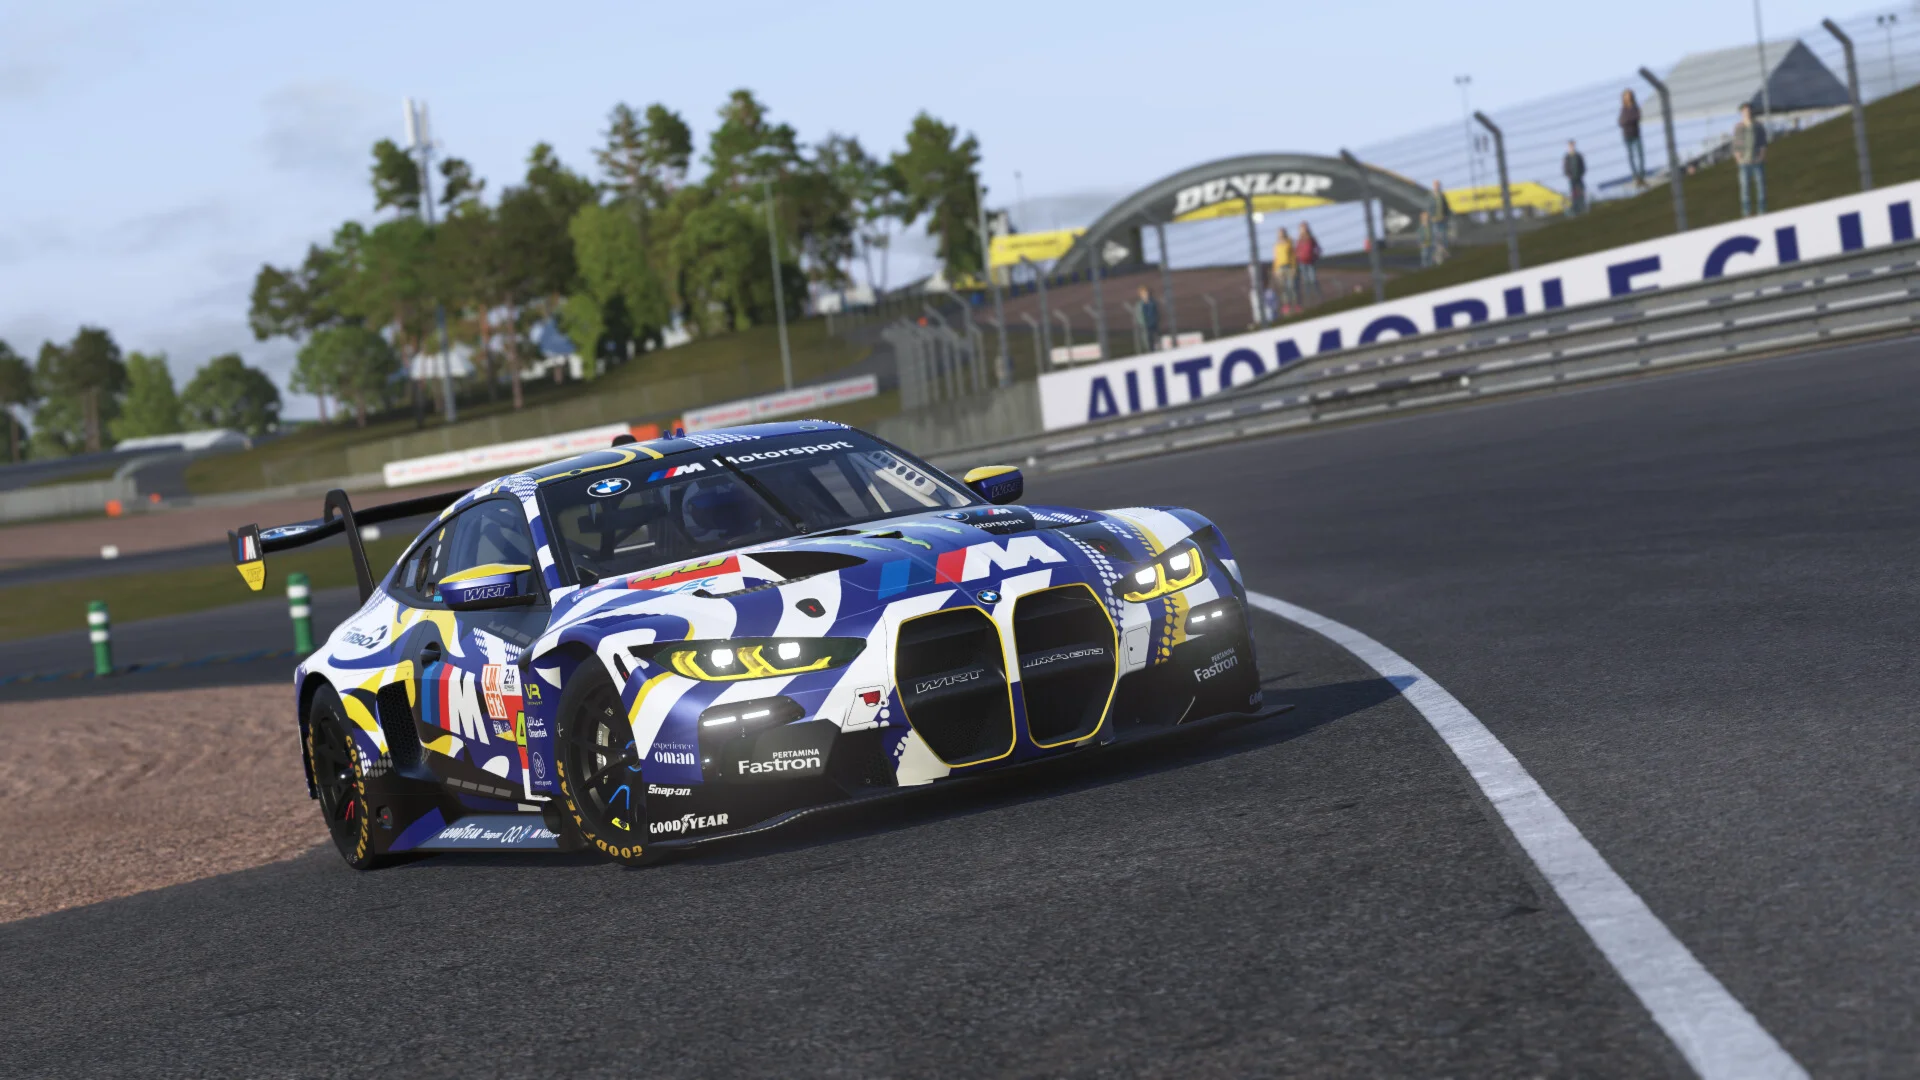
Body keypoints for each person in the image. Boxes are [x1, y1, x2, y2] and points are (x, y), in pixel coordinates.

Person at [1732, 102, 1769, 217]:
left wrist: (1761, 157)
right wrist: (1739, 159)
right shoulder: (1738, 127)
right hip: (1744, 163)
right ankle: (1746, 213)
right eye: (1745, 111)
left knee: (1761, 187)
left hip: (1757, 161)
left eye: (1748, 111)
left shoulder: (1758, 126)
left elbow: (1763, 143)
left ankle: (1762, 211)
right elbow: (1735, 145)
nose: (1747, 113)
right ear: (1742, 113)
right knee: (1745, 189)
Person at [1619, 89, 1646, 187]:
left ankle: (1641, 175)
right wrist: (1629, 120)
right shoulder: (1623, 109)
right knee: (1631, 157)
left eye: (1628, 95)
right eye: (1625, 96)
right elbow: (1621, 122)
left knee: (1640, 155)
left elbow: (1637, 118)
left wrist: (1627, 120)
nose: (1627, 97)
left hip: (1636, 134)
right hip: (1627, 136)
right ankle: (1636, 176)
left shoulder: (1635, 107)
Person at [1271, 228, 1298, 316]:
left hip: (1289, 267)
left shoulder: (1289, 243)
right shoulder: (1276, 245)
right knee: (1283, 288)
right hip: (1280, 269)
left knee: (1291, 287)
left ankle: (1295, 305)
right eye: (1279, 233)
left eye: (1282, 232)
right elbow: (1276, 258)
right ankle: (1286, 306)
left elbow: (1293, 256)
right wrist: (1275, 270)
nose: (1281, 234)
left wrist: (1294, 267)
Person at [1295, 222, 1322, 305]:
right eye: (1302, 228)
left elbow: (1318, 248)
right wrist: (1298, 257)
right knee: (1306, 281)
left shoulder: (1311, 238)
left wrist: (1315, 256)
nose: (1304, 230)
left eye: (1305, 228)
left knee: (1313, 279)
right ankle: (1309, 299)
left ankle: (1319, 297)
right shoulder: (1299, 240)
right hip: (1302, 263)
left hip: (1310, 262)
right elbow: (1296, 250)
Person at [1563, 140, 1588, 215]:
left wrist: (1581, 174)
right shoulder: (1567, 157)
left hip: (1579, 178)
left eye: (1572, 145)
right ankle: (1576, 209)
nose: (1572, 147)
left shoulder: (1578, 155)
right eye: (1570, 146)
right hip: (1572, 179)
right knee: (1574, 194)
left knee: (1581, 193)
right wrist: (1569, 175)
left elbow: (1582, 166)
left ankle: (1583, 207)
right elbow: (1566, 168)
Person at [1430, 180, 1453, 255]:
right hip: (1435, 219)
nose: (1437, 187)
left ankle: (1444, 250)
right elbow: (1429, 207)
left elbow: (1446, 206)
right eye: (1435, 185)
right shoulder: (1431, 196)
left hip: (1442, 219)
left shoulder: (1442, 195)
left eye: (1438, 185)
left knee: (1444, 235)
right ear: (1433, 186)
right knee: (1436, 236)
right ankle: (1437, 251)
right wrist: (1431, 216)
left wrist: (1446, 216)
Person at [1135, 285, 1160, 350]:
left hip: (1154, 325)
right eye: (1143, 294)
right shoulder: (1140, 305)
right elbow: (1139, 316)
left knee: (1157, 341)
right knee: (1148, 343)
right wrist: (1143, 324)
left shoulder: (1153, 302)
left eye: (1146, 293)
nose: (1145, 295)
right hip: (1146, 327)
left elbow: (1157, 312)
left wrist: (1156, 320)